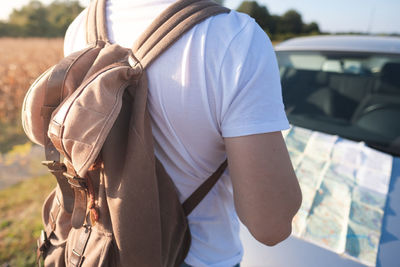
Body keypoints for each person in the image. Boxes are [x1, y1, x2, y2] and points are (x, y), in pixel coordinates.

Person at [64, 0, 302, 266]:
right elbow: (270, 224)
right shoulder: (234, 37)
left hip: (102, 247)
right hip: (201, 256)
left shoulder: (82, 26)